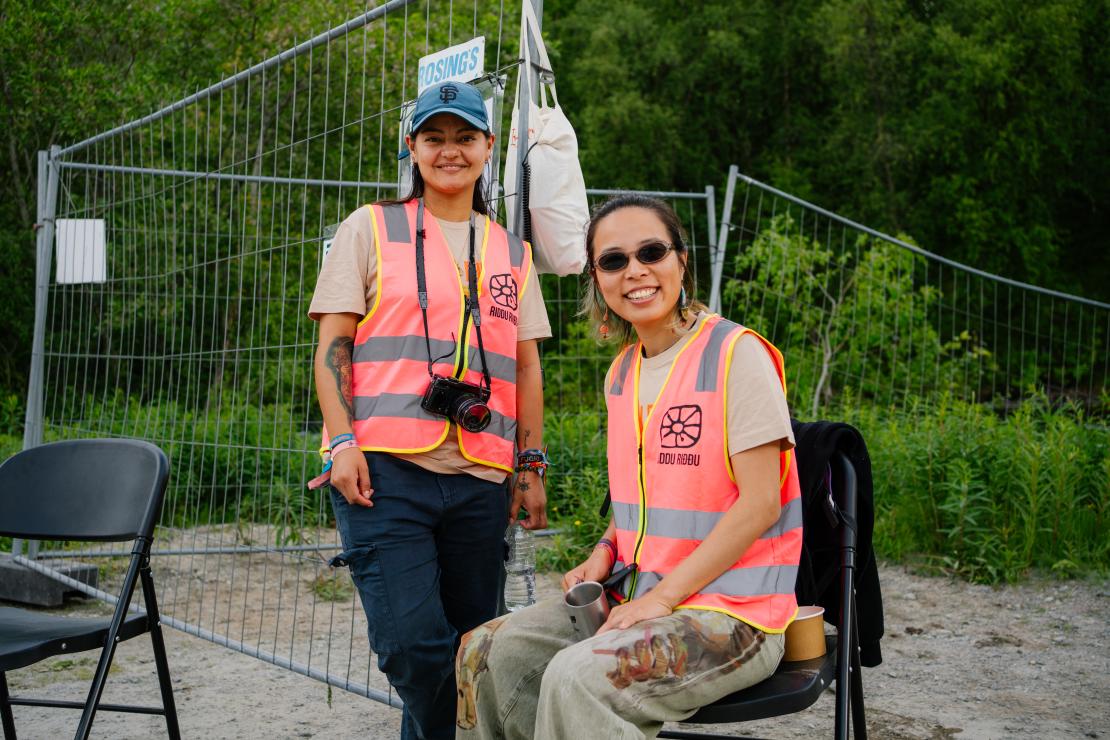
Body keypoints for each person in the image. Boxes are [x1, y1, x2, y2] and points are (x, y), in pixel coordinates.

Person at [455, 194, 801, 739]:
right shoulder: (623, 374)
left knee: (577, 678)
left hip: (736, 615)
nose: (635, 271)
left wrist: (661, 599)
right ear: (597, 278)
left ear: (681, 260)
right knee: (485, 649)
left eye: (652, 251)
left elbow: (760, 504)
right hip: (637, 598)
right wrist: (602, 554)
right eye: (614, 261)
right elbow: (643, 501)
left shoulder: (737, 355)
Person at [309, 81, 549, 740]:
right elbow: (332, 345)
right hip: (384, 477)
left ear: (488, 148)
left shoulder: (510, 251)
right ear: (411, 147)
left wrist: (530, 463)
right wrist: (340, 442)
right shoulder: (371, 227)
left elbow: (526, 366)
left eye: (465, 137)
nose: (451, 151)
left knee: (472, 650)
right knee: (413, 648)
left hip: (481, 479)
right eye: (434, 137)